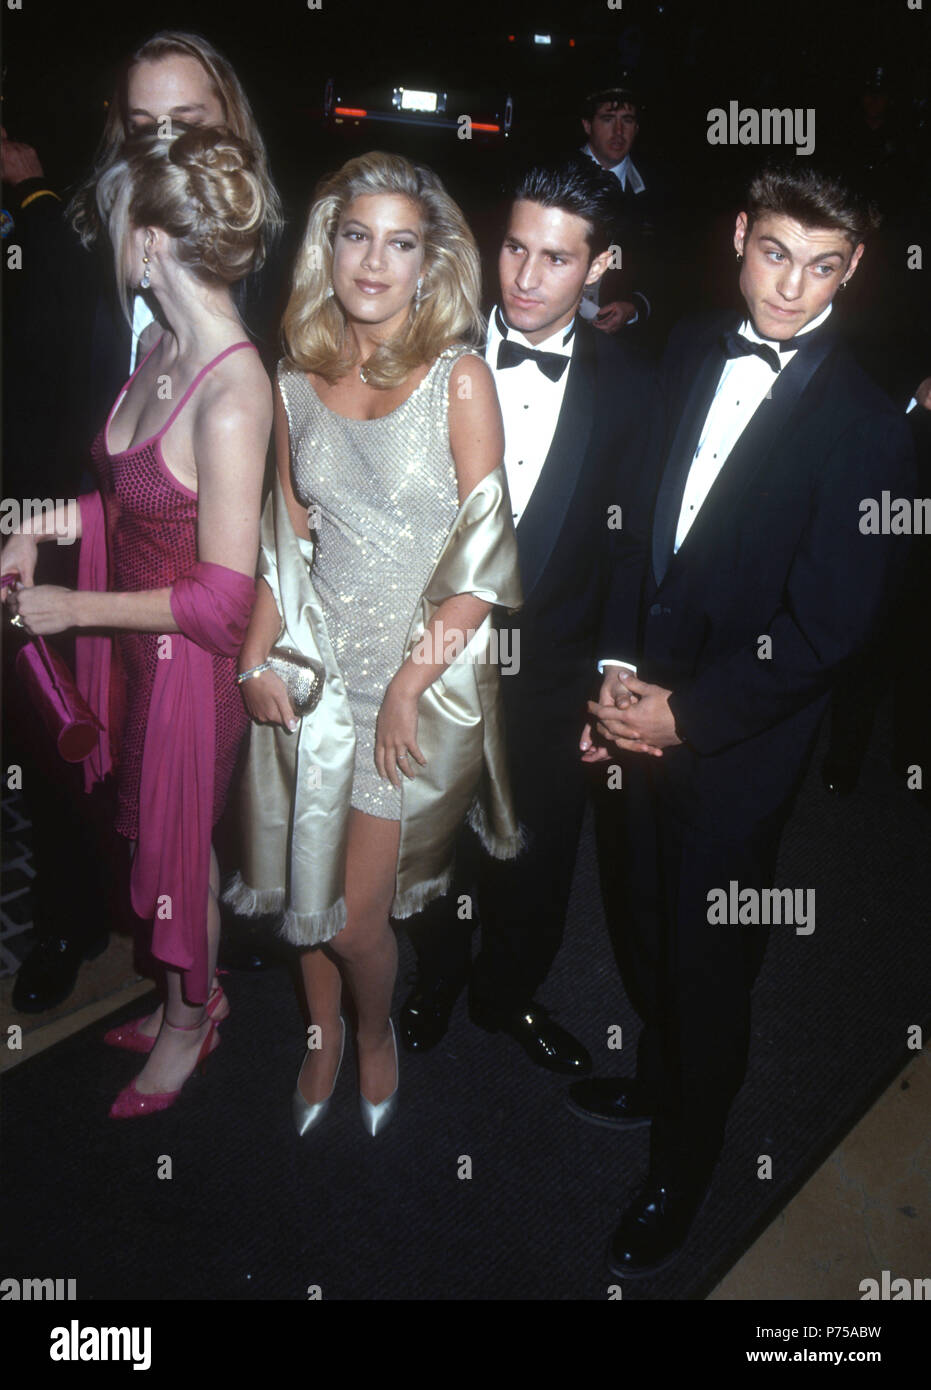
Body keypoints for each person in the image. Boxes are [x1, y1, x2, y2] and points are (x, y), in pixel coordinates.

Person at [575, 164, 915, 1276]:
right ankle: (661, 1074)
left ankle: (688, 1153)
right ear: (738, 234)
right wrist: (617, 680)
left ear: (854, 267)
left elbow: (827, 631)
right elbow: (637, 533)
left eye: (823, 268)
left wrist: (688, 716)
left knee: (706, 961)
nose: (792, 288)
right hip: (634, 711)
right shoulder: (686, 351)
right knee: (635, 916)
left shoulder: (867, 425)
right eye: (775, 253)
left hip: (735, 755)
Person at [224, 152, 523, 1137]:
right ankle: (321, 1038)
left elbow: (482, 564)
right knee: (299, 898)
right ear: (329, 244)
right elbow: (287, 534)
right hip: (311, 673)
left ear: (429, 261)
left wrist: (405, 683)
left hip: (410, 682)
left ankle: (374, 1029)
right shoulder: (294, 374)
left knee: (354, 916)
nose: (373, 261)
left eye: (400, 242)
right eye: (356, 235)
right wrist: (253, 658)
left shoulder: (459, 379)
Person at [6, 30, 284, 1015]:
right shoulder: (111, 270)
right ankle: (102, 942)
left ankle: (197, 995)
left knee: (188, 842)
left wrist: (76, 605)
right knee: (109, 806)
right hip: (113, 605)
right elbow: (94, 451)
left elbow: (248, 546)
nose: (155, 147)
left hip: (192, 636)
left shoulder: (252, 307)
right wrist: (37, 519)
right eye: (140, 126)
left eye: (186, 125)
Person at [401, 162, 662, 1075]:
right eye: (514, 246)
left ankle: (505, 996)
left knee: (537, 859)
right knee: (423, 842)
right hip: (424, 659)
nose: (524, 276)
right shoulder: (426, 349)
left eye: (556, 258)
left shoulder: (633, 388)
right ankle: (433, 976)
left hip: (553, 674)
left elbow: (632, 546)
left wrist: (616, 671)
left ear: (600, 266)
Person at [573, 86, 656, 337]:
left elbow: (667, 270)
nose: (618, 132)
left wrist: (635, 307)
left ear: (637, 128)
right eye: (608, 119)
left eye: (627, 121)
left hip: (622, 342)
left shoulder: (655, 192)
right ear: (587, 125)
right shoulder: (554, 178)